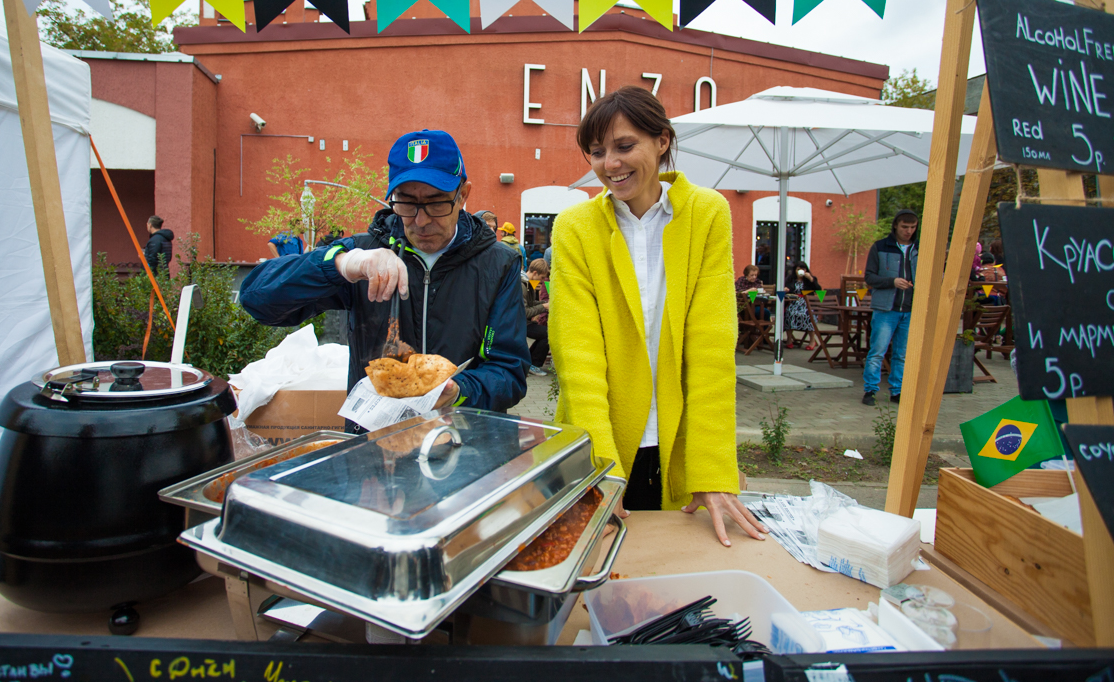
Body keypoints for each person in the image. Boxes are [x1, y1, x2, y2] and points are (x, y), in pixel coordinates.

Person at [549, 86, 768, 547]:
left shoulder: (707, 214)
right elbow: (577, 356)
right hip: (599, 442)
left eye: (625, 146)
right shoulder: (575, 228)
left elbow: (711, 348)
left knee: (676, 578)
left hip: (678, 440)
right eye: (597, 152)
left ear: (662, 141)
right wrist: (600, 468)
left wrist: (711, 467)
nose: (611, 163)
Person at [239, 130, 531, 431]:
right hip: (374, 450)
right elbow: (256, 298)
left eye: (436, 203)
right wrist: (341, 263)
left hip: (464, 446)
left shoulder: (498, 264)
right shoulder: (364, 255)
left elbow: (509, 372)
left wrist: (459, 391)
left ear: (463, 195)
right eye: (406, 202)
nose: (421, 220)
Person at [862, 209, 919, 406]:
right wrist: (892, 281)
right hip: (885, 309)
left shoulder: (920, 248)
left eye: (912, 227)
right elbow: (869, 277)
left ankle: (898, 391)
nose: (909, 231)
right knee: (877, 351)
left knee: (901, 354)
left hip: (910, 309)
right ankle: (870, 390)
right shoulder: (880, 247)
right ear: (896, 225)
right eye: (905, 227)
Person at [782, 261, 821, 349]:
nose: (800, 271)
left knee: (809, 315)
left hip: (807, 303)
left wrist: (811, 279)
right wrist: (785, 289)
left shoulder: (811, 279)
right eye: (798, 269)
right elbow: (785, 289)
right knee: (790, 313)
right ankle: (789, 339)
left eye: (803, 269)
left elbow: (819, 290)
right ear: (795, 270)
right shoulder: (790, 279)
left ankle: (812, 341)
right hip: (793, 302)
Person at [524, 258, 551, 375]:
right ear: (535, 273)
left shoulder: (527, 283)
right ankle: (533, 364)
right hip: (520, 324)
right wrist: (544, 307)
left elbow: (530, 304)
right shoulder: (523, 285)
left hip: (523, 322)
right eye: (541, 278)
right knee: (549, 334)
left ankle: (529, 362)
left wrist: (543, 303)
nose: (542, 281)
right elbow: (525, 312)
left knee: (546, 333)